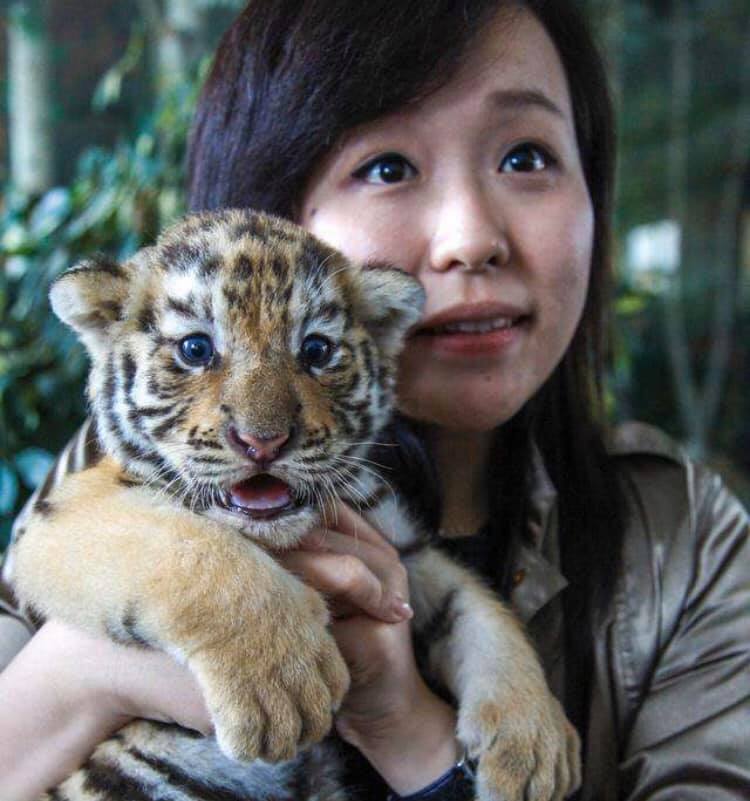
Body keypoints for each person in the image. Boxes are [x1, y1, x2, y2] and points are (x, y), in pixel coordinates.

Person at [1, 1, 748, 799]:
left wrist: (406, 723)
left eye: (527, 156)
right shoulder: (133, 452)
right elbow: (55, 563)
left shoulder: (687, 540)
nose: (470, 238)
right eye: (389, 167)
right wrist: (101, 669)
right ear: (278, 210)